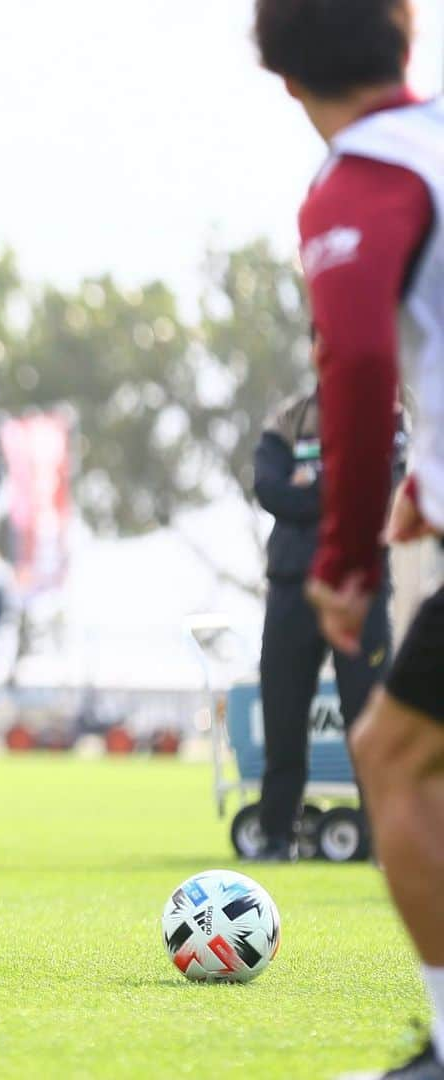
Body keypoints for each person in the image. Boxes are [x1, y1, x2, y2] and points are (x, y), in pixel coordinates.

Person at [256, 2, 444, 1075]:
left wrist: (347, 559)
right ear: (405, 36)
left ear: (283, 78)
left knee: (393, 757)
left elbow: (362, 364)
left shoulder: (361, 178)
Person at [251, 388, 403, 861]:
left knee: (370, 715)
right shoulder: (289, 418)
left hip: (359, 585)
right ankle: (277, 836)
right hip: (291, 585)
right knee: (282, 712)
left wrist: (309, 485)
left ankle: (382, 841)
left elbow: (385, 491)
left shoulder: (387, 413)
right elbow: (269, 490)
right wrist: (340, 488)